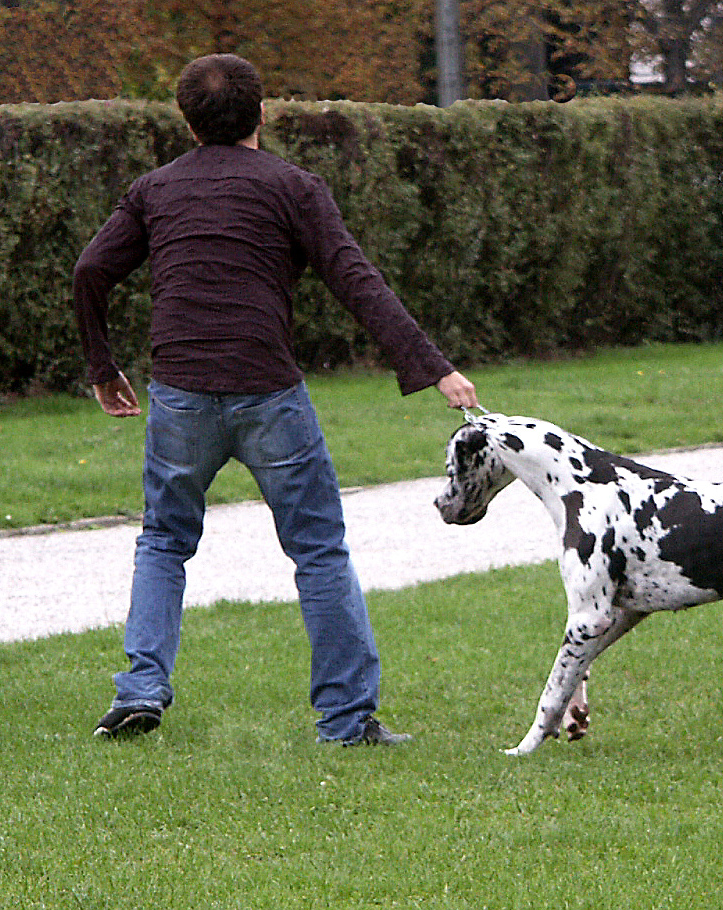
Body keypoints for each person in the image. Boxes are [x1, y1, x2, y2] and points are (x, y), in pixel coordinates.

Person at [73, 53, 478, 746]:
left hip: (179, 395)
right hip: (268, 394)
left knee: (164, 543)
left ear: (185, 118)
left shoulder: (154, 190)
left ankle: (140, 691)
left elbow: (89, 271)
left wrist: (102, 366)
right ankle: (347, 722)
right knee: (318, 549)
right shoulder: (294, 187)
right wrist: (436, 370)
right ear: (265, 112)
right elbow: (358, 281)